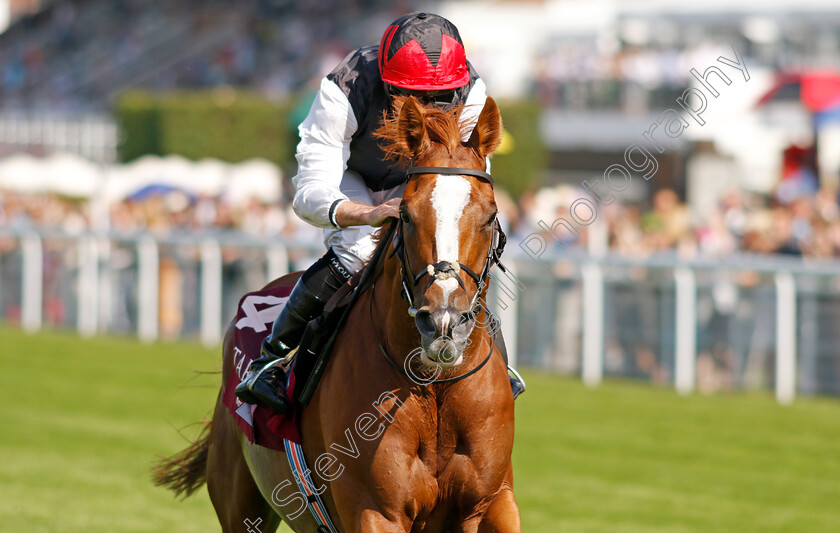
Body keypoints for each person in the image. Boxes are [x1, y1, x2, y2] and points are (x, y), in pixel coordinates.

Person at [235, 12, 525, 414]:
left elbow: (473, 174)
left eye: (438, 98)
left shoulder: (471, 87)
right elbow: (309, 192)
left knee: (460, 251)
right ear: (389, 83)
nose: (428, 108)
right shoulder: (345, 87)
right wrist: (365, 214)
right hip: (353, 176)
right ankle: (271, 359)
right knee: (356, 251)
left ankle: (499, 365)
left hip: (425, 175)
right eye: (415, 96)